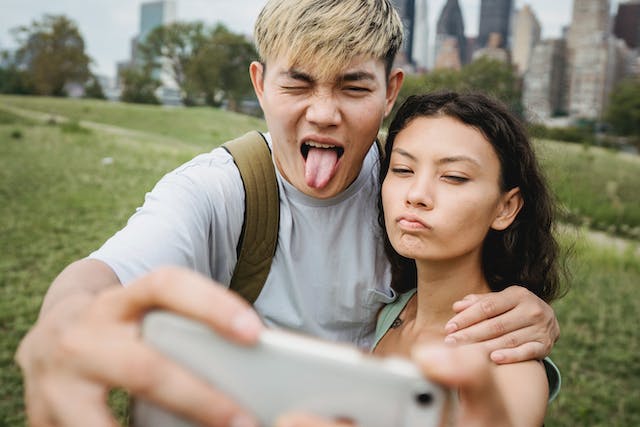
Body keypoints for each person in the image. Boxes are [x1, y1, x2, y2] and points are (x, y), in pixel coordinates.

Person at [16, 1, 560, 426]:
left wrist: (528, 313)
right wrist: (63, 322)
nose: (322, 114)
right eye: (297, 82)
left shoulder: (401, 186)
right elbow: (102, 274)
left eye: (352, 85)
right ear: (259, 84)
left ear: (390, 91)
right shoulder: (219, 189)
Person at [277, 92, 566, 426]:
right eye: (402, 169)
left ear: (506, 207)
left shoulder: (508, 362)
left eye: (454, 177)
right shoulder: (388, 310)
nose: (416, 195)